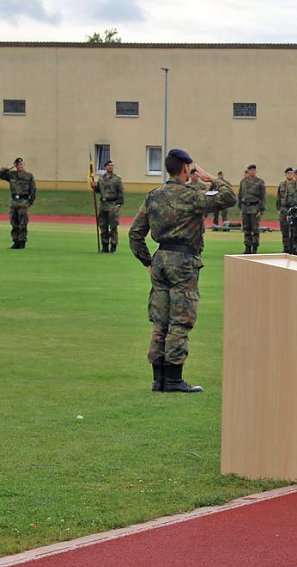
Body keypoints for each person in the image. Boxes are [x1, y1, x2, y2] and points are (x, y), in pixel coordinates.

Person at [128, 148, 236, 392]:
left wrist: (147, 261)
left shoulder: (153, 196)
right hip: (183, 261)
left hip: (160, 259)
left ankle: (159, 379)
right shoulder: (191, 195)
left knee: (160, 321)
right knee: (180, 320)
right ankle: (174, 379)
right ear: (187, 168)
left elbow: (135, 233)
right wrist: (210, 177)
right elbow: (229, 197)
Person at [1, 157, 37, 249]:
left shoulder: (29, 176)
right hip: (14, 202)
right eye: (18, 164)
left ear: (23, 165)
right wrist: (10, 167)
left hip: (23, 202)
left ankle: (22, 242)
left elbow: (33, 189)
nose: (20, 166)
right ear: (15, 165)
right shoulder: (11, 175)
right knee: (14, 223)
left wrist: (30, 201)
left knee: (23, 223)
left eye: (21, 164)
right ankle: (15, 241)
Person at [92, 159, 125, 253]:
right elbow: (99, 190)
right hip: (103, 204)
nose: (111, 167)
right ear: (105, 167)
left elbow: (121, 192)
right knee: (103, 226)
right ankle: (105, 246)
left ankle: (113, 245)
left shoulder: (117, 178)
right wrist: (94, 187)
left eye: (112, 165)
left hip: (113, 204)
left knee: (113, 226)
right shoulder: (101, 178)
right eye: (109, 165)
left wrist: (119, 204)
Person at [238, 164, 266, 254]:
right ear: (248, 171)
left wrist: (261, 210)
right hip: (245, 208)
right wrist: (240, 207)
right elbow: (240, 195)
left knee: (255, 229)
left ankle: (254, 248)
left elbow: (263, 197)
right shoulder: (243, 181)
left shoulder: (260, 182)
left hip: (255, 208)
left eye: (254, 170)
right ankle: (247, 247)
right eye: (250, 170)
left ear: (256, 171)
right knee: (246, 229)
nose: (252, 172)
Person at [276, 167, 296, 253]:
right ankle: (286, 248)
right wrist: (278, 209)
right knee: (284, 230)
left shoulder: (296, 185)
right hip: (283, 210)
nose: (290, 174)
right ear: (285, 174)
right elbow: (278, 197)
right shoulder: (282, 185)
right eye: (288, 173)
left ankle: (293, 248)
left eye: (291, 173)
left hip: (292, 210)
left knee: (294, 230)